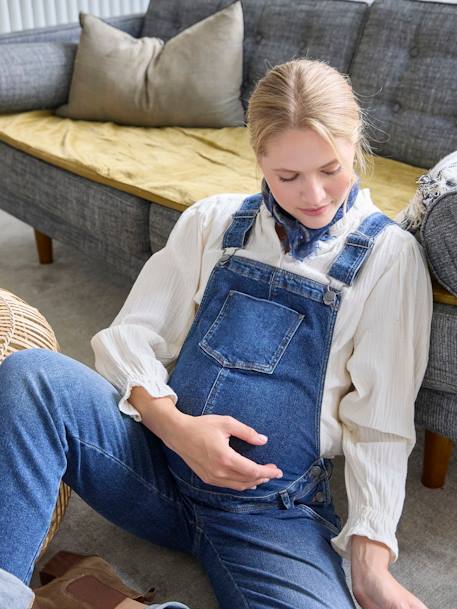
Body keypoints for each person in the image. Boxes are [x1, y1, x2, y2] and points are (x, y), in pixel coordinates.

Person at [0, 58, 433, 609]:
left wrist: (372, 566)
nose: (315, 195)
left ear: (355, 144)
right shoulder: (213, 222)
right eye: (288, 176)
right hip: (155, 468)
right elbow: (129, 338)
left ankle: (107, 600)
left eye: (331, 168)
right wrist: (175, 428)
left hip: (270, 515)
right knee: (30, 376)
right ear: (259, 159)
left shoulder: (390, 258)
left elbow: (381, 425)